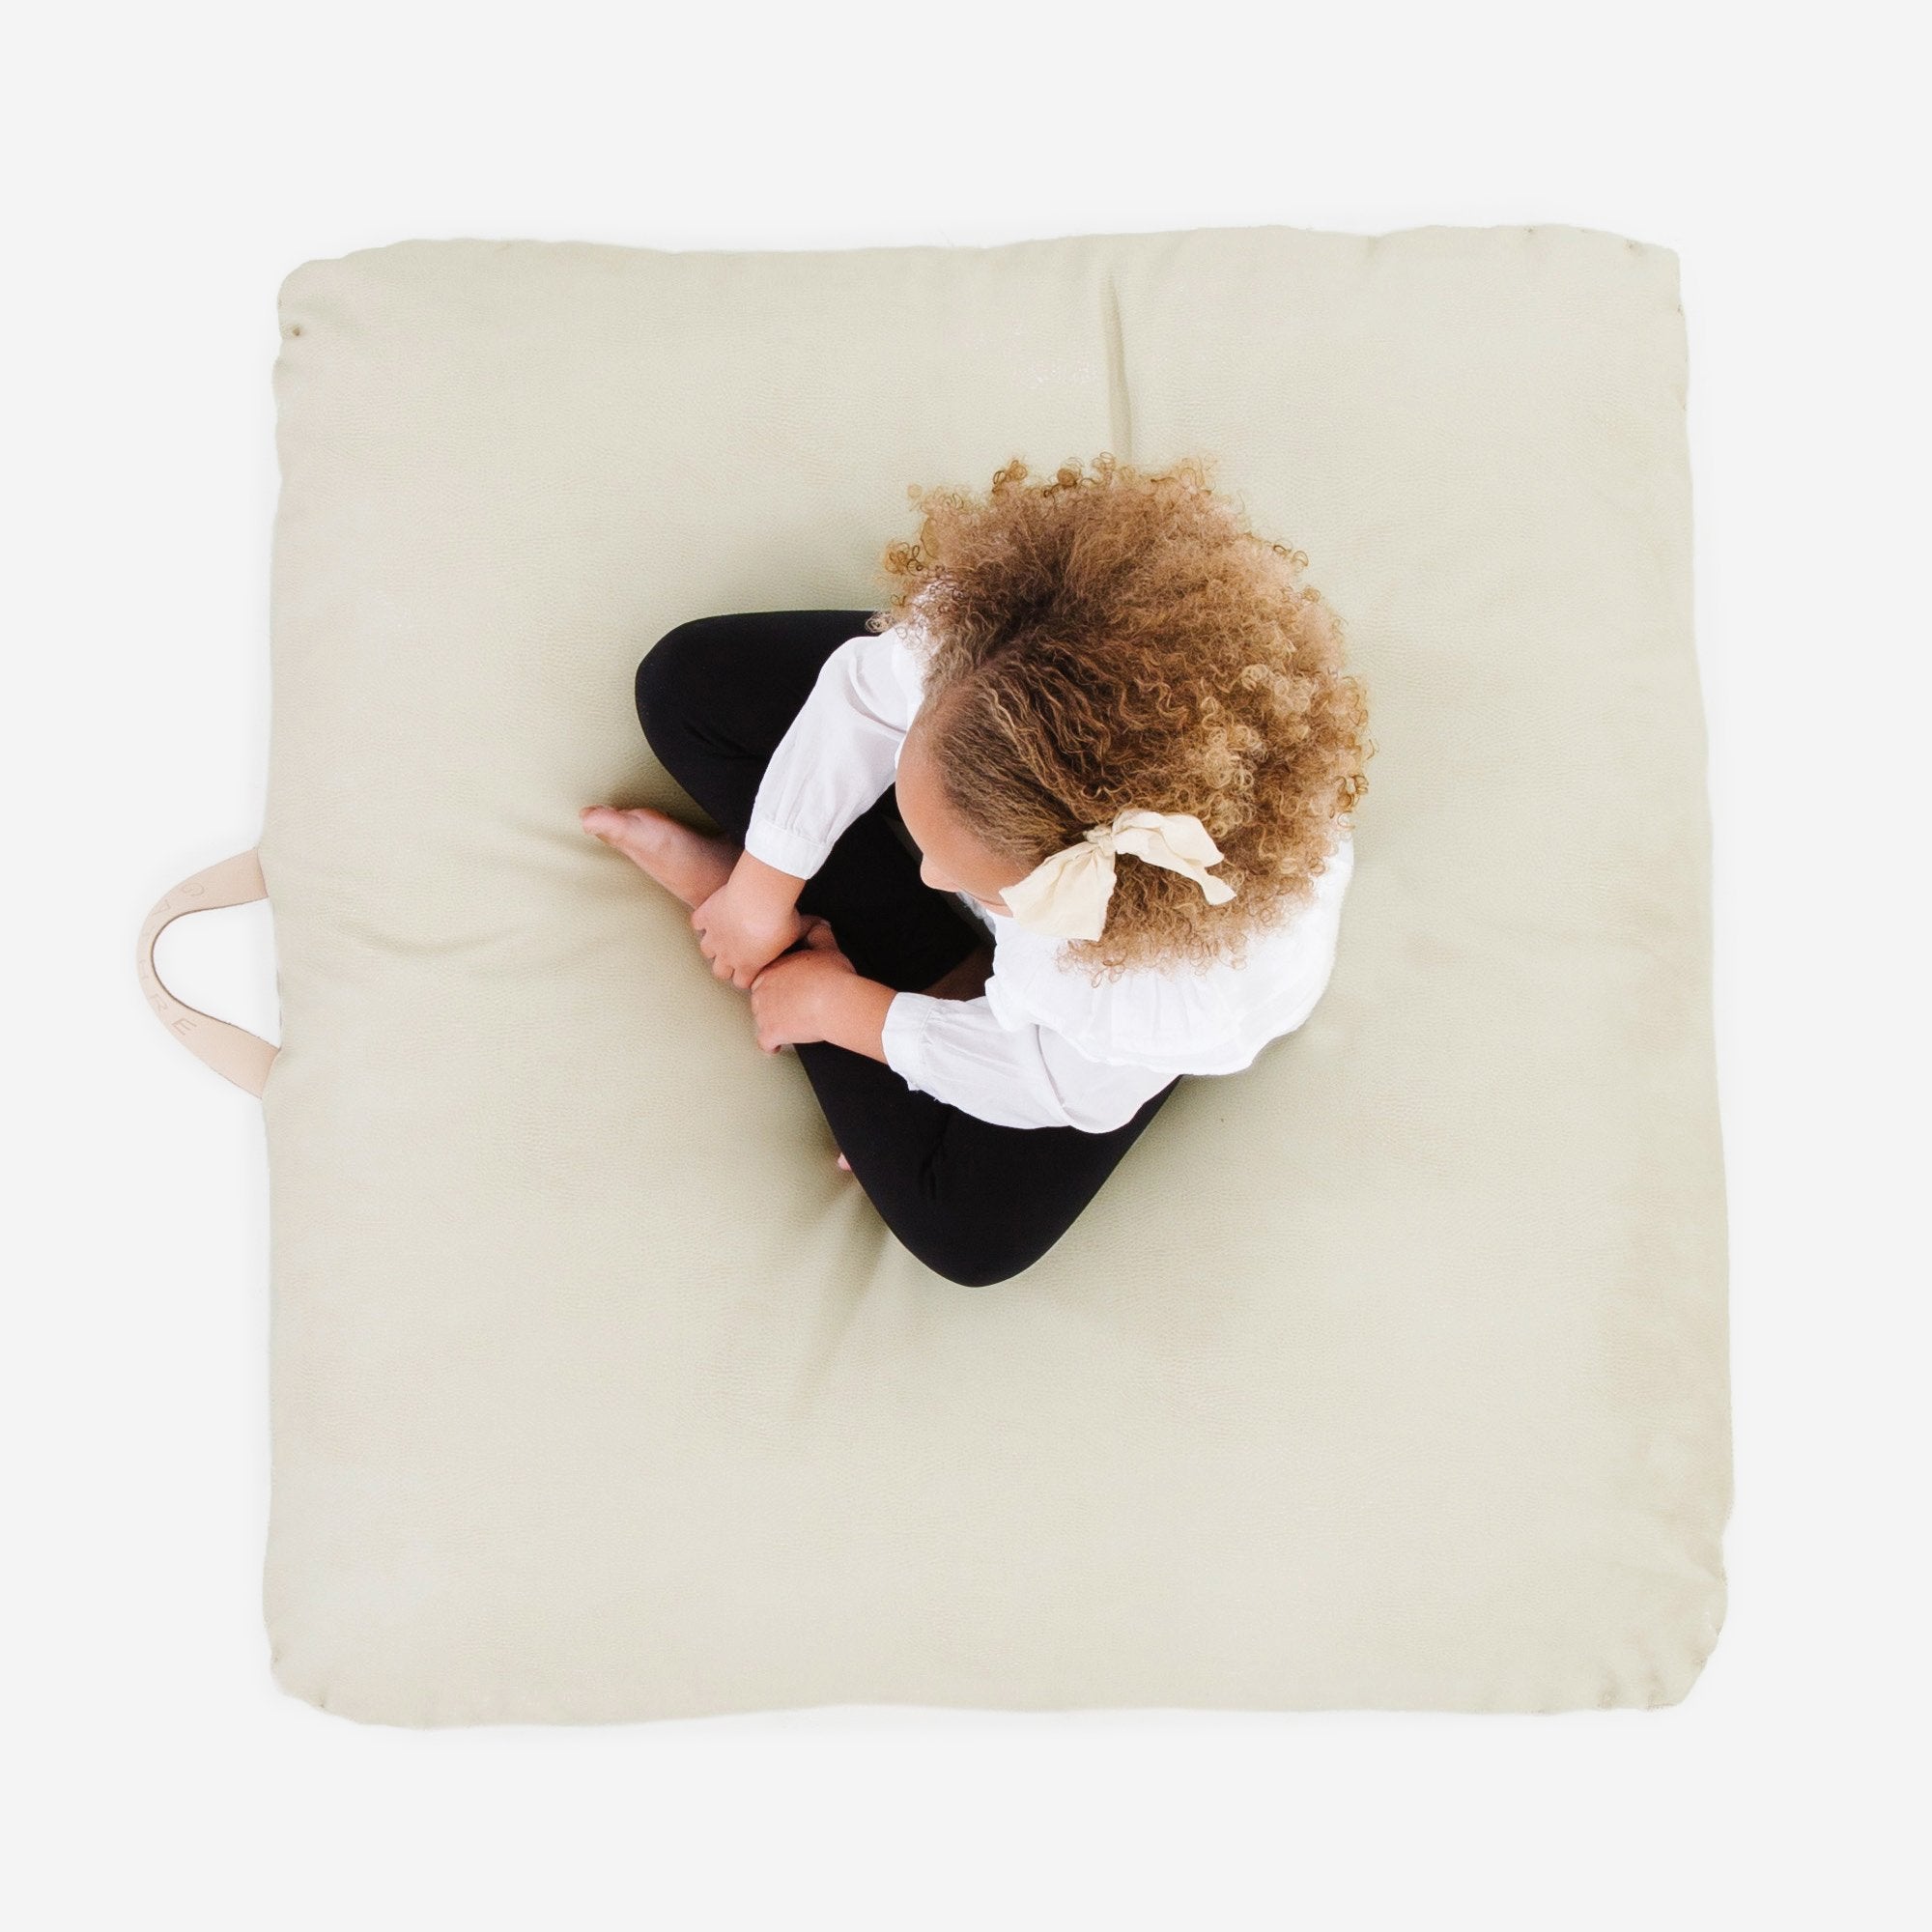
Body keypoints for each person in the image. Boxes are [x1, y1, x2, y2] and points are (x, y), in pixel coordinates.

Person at [582, 454, 1370, 1286]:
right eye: (922, 836)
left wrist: (852, 1012)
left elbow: (1046, 1084)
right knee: (689, 684)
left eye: (961, 875)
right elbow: (863, 701)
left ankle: (840, 955)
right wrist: (763, 885)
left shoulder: (1148, 1000)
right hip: (1042, 718)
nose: (928, 877)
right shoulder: (981, 659)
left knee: (968, 1235)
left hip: (1092, 1014)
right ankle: (817, 905)